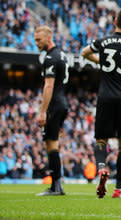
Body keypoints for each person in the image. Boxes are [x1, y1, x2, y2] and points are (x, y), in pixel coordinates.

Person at [81, 8, 121, 199]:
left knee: (101, 139)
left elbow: (84, 53)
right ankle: (118, 189)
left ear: (115, 21)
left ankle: (101, 169)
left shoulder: (103, 41)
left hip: (105, 96)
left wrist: (102, 63)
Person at [34, 26, 69, 196]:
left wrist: (42, 111)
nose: (36, 43)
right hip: (62, 103)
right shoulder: (61, 54)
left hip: (54, 105)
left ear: (48, 38)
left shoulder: (50, 57)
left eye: (38, 40)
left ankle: (56, 187)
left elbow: (49, 85)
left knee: (51, 144)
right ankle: (57, 185)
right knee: (51, 143)